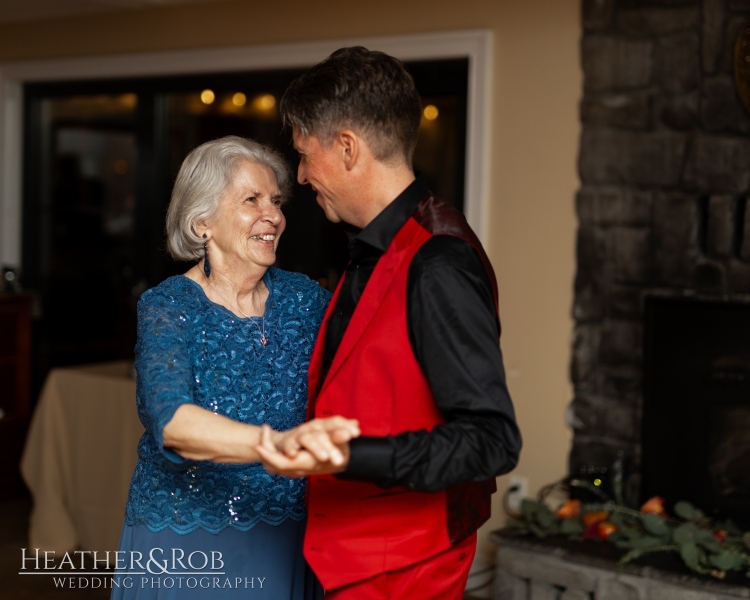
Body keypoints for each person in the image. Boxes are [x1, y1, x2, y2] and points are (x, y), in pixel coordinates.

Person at [255, 47, 523, 599]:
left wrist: (350, 456)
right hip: (348, 560)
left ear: (348, 147)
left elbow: (492, 440)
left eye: (306, 155)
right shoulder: (370, 248)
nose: (302, 176)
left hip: (403, 572)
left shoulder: (438, 262)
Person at [112, 135, 358, 600]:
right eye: (252, 200)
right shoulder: (169, 306)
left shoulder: (305, 300)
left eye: (276, 201)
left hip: (288, 534)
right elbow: (171, 421)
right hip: (189, 541)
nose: (274, 216)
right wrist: (275, 445)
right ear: (203, 221)